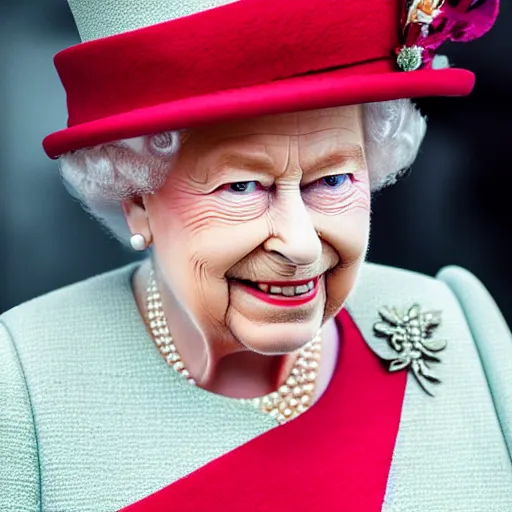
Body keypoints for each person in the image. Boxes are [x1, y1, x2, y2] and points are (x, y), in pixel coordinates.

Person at [1, 0, 510, 511]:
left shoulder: (460, 326)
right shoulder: (24, 379)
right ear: (137, 201)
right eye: (242, 186)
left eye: (332, 180)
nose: (300, 244)